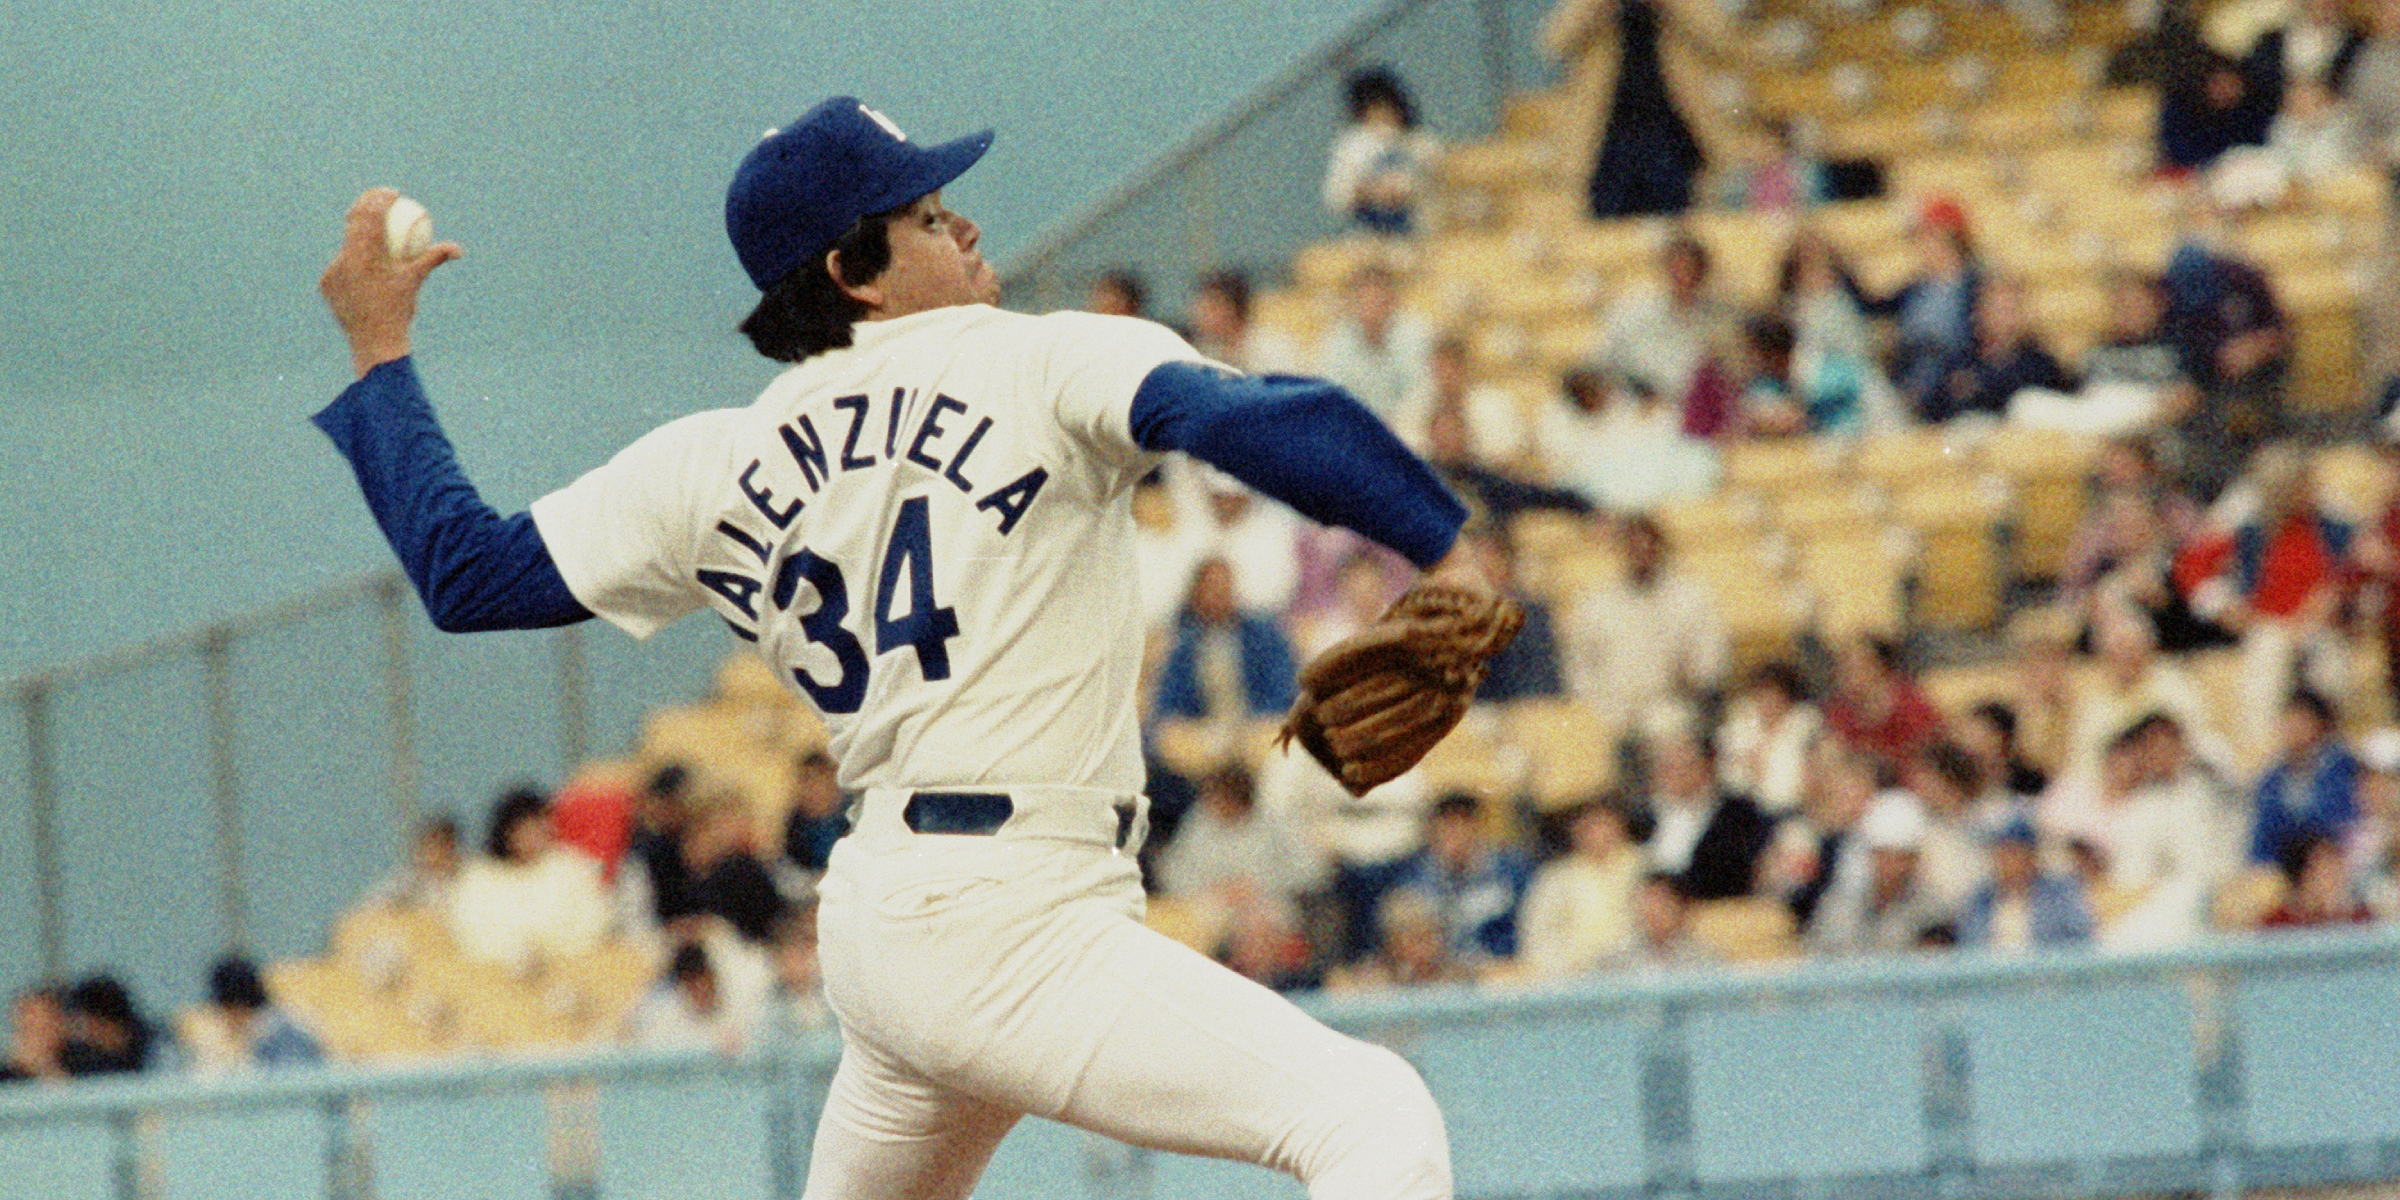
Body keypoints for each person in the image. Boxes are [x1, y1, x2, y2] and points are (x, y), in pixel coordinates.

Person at [314, 97, 1482, 1197]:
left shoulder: (710, 463)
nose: (962, 223)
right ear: (850, 274)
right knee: (1370, 1115)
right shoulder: (1031, 357)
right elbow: (1256, 419)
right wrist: (1452, 551)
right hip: (1017, 913)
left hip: (885, 923)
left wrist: (380, 353)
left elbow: (466, 575)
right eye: (924, 215)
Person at [1562, 515, 1727, 723]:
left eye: (1648, 547)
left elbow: (1709, 666)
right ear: (1622, 551)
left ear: (1660, 548)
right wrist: (1596, 707)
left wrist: (1690, 679)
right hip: (1609, 713)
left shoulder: (1691, 598)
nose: (1641, 554)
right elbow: (1578, 667)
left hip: (1674, 713)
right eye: (1633, 547)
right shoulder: (1594, 603)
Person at [447, 785, 615, 968]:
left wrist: (551, 953)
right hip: (494, 977)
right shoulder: (479, 877)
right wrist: (512, 954)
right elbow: (468, 933)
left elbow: (595, 922)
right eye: (525, 828)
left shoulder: (571, 868)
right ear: (507, 832)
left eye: (540, 826)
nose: (534, 835)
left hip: (567, 971)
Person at [1386, 793, 1534, 964]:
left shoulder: (1511, 871)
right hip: (1436, 974)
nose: (1455, 835)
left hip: (1495, 971)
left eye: (1462, 825)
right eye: (1447, 827)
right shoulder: (1412, 878)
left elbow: (1523, 931)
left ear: (1478, 827)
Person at [1516, 797, 1644, 979]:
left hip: (1636, 970)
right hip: (1573, 977)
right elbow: (1537, 936)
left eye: (1604, 823)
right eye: (1588, 826)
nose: (1597, 832)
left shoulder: (1644, 865)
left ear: (1620, 825)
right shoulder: (1554, 877)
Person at [1322, 68, 1439, 237]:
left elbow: (1440, 180)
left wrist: (1407, 190)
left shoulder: (1420, 142)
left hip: (1421, 231)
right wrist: (1368, 192)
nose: (1382, 114)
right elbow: (1336, 196)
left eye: (1386, 106)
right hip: (1372, 234)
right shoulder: (1352, 145)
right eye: (1374, 108)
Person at [1955, 820, 2094, 951]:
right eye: (2001, 854)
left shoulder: (2060, 896)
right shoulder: (1980, 901)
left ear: (2032, 856)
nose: (2007, 862)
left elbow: (2079, 943)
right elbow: (1969, 947)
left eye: (2014, 853)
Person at [179, 957, 324, 1076]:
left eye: (224, 1013)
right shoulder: (262, 1032)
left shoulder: (285, 1035)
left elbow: (292, 1093)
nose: (225, 1022)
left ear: (236, 1007)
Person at [356, 813, 464, 913]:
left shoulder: (467, 881)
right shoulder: (409, 883)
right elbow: (371, 907)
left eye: (435, 847)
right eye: (426, 846)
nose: (429, 855)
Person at [784, 748, 851, 875]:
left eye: (818, 779)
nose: (813, 789)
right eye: (805, 781)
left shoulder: (854, 817)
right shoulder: (795, 826)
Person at [0, 988, 69, 1084]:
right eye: (33, 1026)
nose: (44, 1036)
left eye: (49, 1025)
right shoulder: (4, 1079)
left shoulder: (79, 1071)